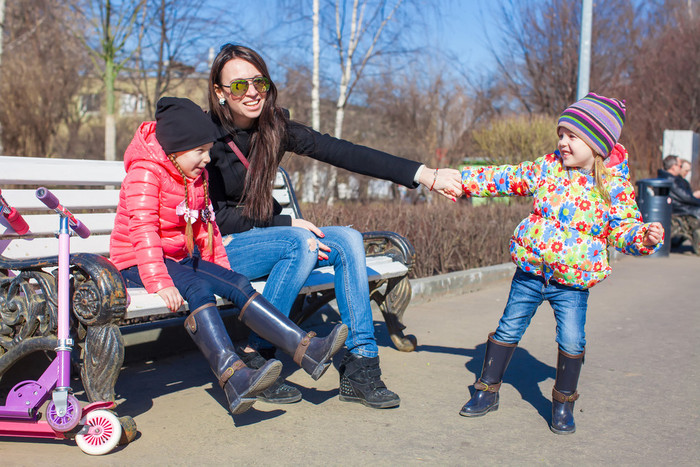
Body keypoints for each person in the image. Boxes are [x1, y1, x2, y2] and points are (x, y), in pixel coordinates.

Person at [206, 43, 463, 409]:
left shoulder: (275, 127)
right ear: (219, 92)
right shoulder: (207, 138)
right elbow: (215, 217)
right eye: (238, 86)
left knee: (347, 239)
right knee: (301, 242)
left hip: (267, 237)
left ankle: (361, 366)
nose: (251, 93)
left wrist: (423, 174)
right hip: (223, 246)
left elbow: (343, 151)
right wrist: (286, 222)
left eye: (258, 83)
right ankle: (255, 354)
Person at [109, 97, 348, 417]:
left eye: (209, 150)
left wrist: (221, 272)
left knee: (234, 280)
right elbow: (143, 230)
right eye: (200, 151)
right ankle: (234, 376)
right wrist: (158, 281)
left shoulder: (195, 176)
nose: (208, 159)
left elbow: (208, 230)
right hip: (138, 262)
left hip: (179, 259)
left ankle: (307, 350)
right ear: (176, 149)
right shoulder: (146, 172)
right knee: (197, 289)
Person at [458, 93, 664, 434]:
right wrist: (461, 181)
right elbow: (504, 177)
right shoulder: (547, 167)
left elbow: (624, 228)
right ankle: (486, 390)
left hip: (572, 283)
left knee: (571, 340)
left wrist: (644, 238)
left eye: (572, 136)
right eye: (561, 134)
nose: (563, 142)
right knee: (508, 328)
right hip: (530, 275)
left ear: (597, 144)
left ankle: (563, 403)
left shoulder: (613, 187)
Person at [658, 155, 700, 219]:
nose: (680, 169)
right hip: (681, 210)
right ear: (673, 167)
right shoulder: (670, 180)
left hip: (682, 208)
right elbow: (686, 197)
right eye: (680, 166)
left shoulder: (670, 178)